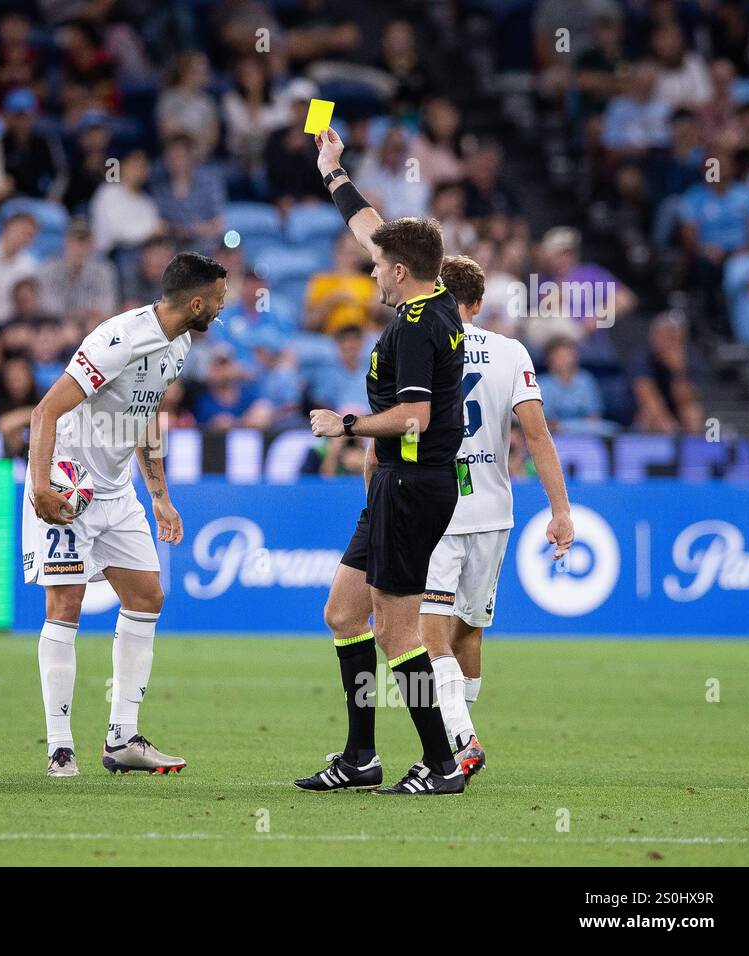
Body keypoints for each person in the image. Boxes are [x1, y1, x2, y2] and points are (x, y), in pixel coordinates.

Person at [294, 127, 466, 796]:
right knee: (343, 613)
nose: (369, 269)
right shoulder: (434, 292)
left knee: (397, 633)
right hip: (393, 483)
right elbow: (375, 232)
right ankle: (361, 757)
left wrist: (347, 423)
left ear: (400, 272)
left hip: (414, 482)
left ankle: (441, 761)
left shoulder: (417, 326)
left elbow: (416, 418)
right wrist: (333, 172)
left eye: (376, 264)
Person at [26, 251, 226, 777]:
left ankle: (122, 739)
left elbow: (146, 414)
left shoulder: (179, 343)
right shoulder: (116, 339)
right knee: (65, 603)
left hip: (117, 489)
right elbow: (45, 410)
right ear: (198, 302)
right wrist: (41, 486)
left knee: (147, 594)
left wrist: (159, 494)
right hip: (69, 480)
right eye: (220, 302)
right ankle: (60, 746)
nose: (222, 312)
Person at [416, 256, 573, 775]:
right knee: (470, 628)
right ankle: (461, 736)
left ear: (438, 294)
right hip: (494, 512)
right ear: (479, 303)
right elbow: (536, 435)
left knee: (428, 629)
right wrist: (560, 510)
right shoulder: (511, 351)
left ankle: (461, 735)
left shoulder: (423, 341)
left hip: (438, 505)